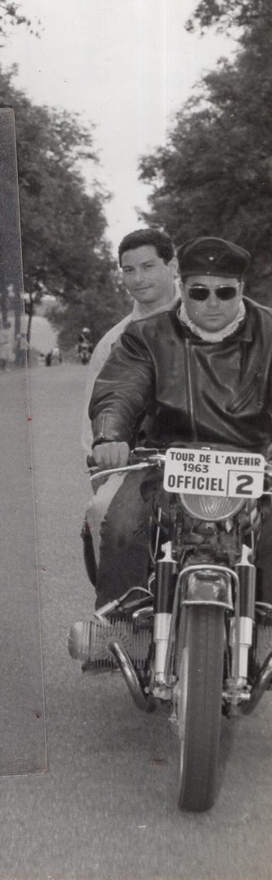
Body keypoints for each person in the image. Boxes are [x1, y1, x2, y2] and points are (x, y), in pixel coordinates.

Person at [86, 236, 272, 605]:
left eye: (225, 292)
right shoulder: (144, 335)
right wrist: (110, 435)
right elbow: (120, 388)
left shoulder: (271, 331)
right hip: (165, 461)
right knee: (122, 526)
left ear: (242, 289)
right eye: (200, 292)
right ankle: (121, 633)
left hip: (254, 464)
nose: (213, 302)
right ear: (182, 287)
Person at [78, 227, 181, 457]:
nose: (138, 279)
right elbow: (93, 425)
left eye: (148, 267)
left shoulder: (207, 320)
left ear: (172, 266)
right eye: (129, 270)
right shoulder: (113, 342)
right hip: (143, 472)